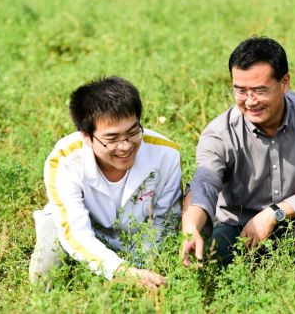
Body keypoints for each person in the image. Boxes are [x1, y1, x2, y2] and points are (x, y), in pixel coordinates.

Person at [181, 36, 295, 266]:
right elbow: (204, 184)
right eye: (240, 91)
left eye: (259, 90)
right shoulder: (219, 133)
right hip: (239, 229)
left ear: (284, 83)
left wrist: (274, 214)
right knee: (209, 257)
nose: (250, 101)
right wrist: (191, 231)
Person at [29, 76, 182, 288]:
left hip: (138, 235)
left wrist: (144, 265)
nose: (126, 146)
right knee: (48, 258)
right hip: (87, 228)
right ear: (86, 137)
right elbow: (76, 233)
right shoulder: (64, 160)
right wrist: (121, 271)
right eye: (112, 139)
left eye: (132, 132)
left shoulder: (166, 154)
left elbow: (164, 221)